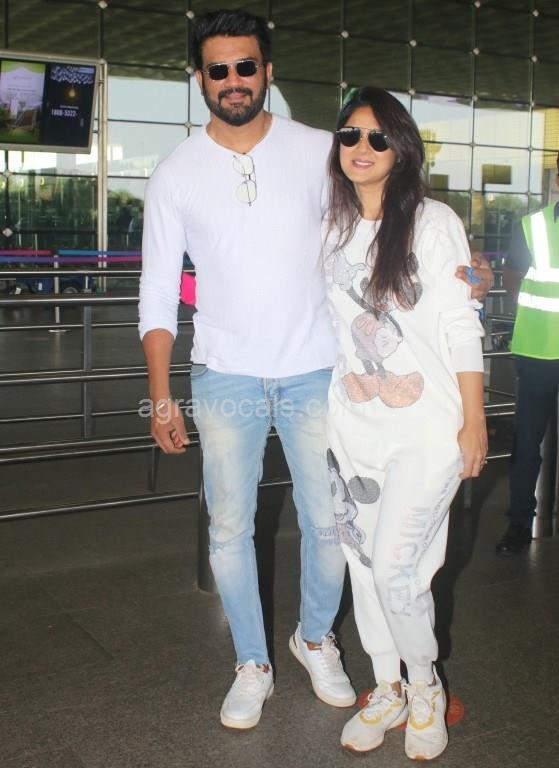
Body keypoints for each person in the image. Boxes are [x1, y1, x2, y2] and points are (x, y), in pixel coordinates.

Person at [138, 9, 492, 732]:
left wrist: (467, 273)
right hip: (223, 375)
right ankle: (251, 663)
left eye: (245, 66)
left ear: (266, 71)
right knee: (228, 529)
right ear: (199, 78)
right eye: (218, 69)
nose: (233, 80)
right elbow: (156, 292)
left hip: (314, 373)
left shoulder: (317, 151)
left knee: (331, 527)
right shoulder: (174, 174)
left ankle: (314, 638)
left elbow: (387, 215)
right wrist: (160, 394)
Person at [323, 87, 486, 760]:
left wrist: (474, 420)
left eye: (377, 137)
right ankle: (386, 686)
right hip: (352, 430)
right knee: (364, 569)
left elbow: (459, 323)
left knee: (396, 569)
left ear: (401, 149)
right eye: (349, 135)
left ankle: (424, 687)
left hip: (426, 431)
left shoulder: (432, 221)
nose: (361, 148)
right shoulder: (328, 226)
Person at [495, 152, 559, 555]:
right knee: (526, 444)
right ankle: (519, 523)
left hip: (538, 350)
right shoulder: (531, 227)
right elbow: (514, 282)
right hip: (537, 352)